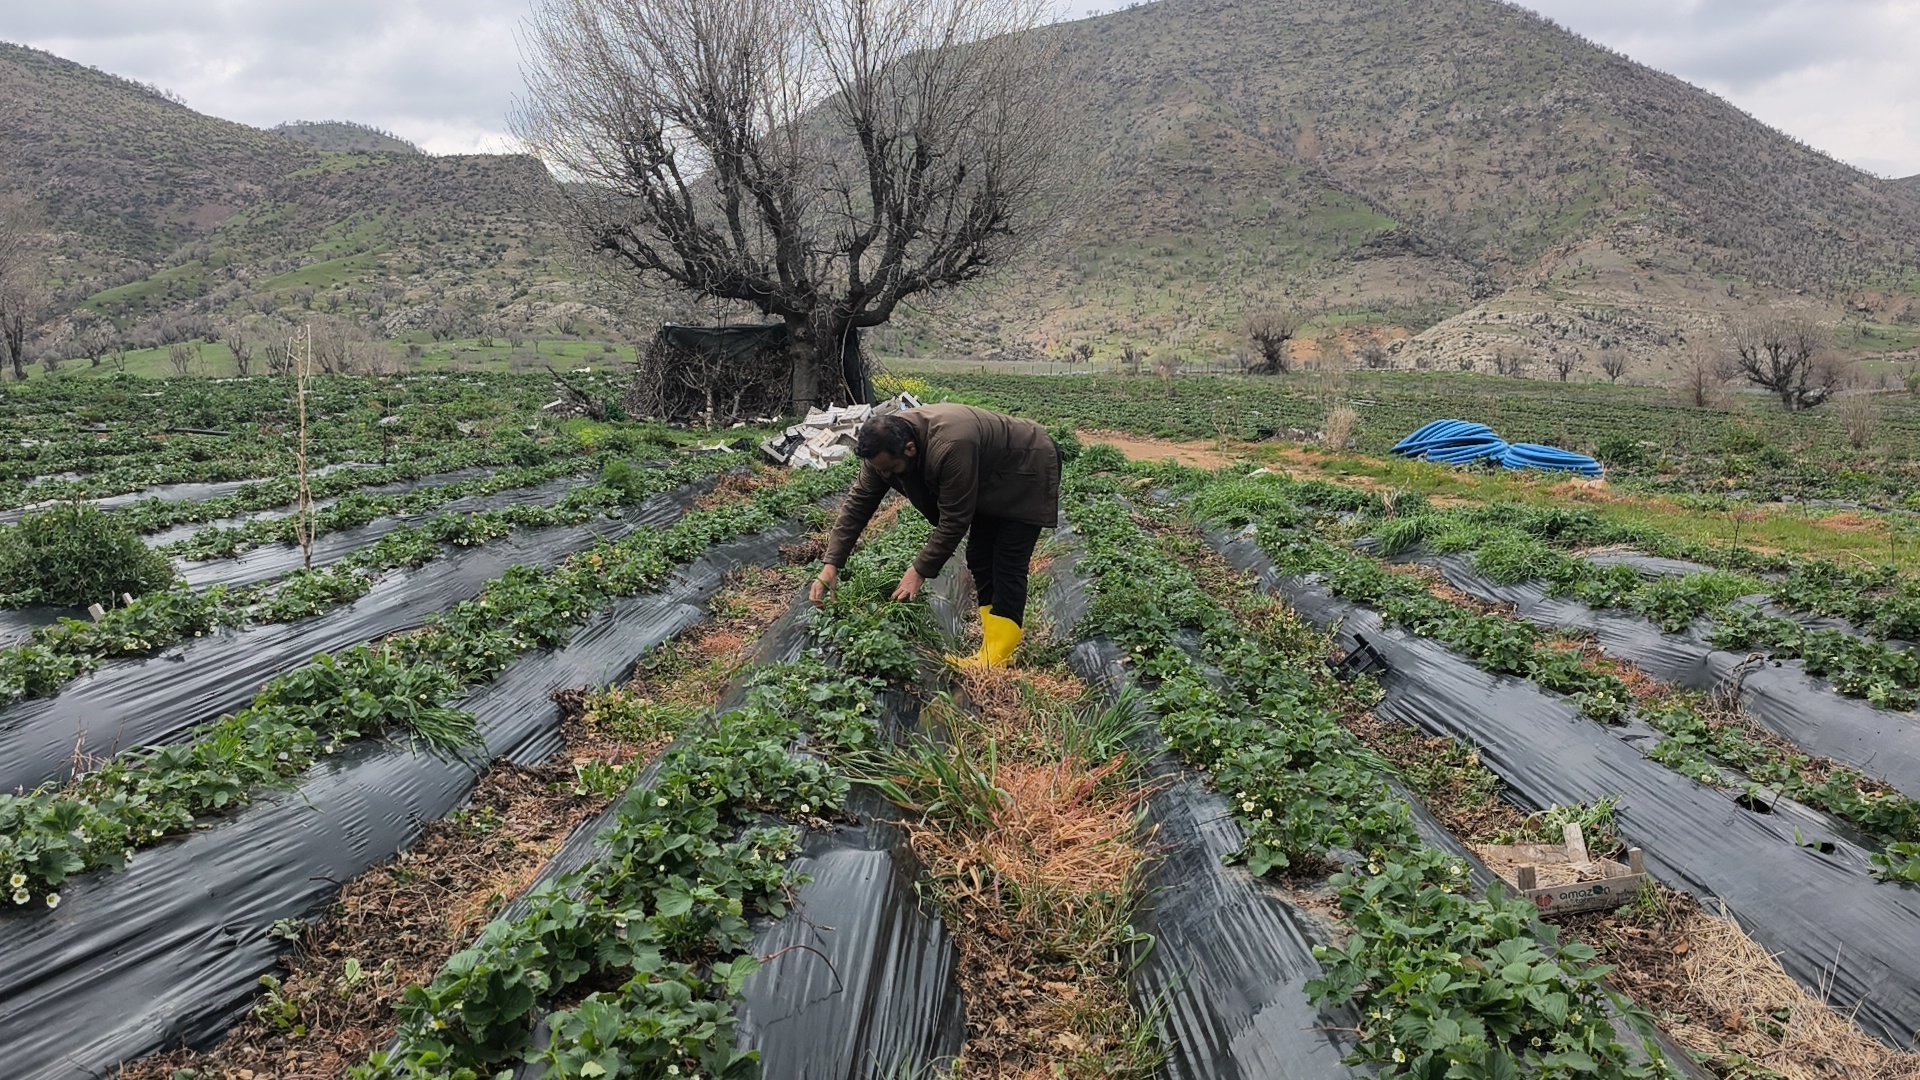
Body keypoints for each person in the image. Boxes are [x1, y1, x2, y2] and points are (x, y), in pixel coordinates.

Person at [810, 403, 1061, 667]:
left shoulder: (951, 444)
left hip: (1027, 467)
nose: (885, 475)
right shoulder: (882, 455)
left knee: (1008, 561)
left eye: (892, 469)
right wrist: (831, 565)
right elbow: (859, 503)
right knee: (979, 556)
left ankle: (998, 655)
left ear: (910, 449)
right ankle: (993, 643)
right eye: (879, 469)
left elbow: (954, 520)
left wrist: (918, 571)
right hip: (989, 476)